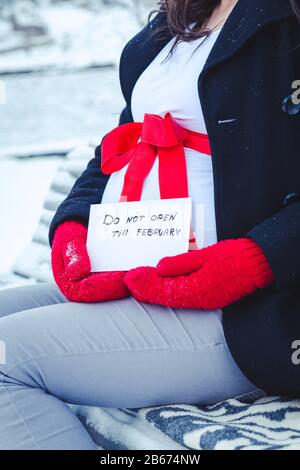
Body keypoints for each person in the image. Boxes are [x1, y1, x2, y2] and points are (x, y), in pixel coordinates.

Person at [0, 0, 300, 450]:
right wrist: (73, 227)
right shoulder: (178, 21)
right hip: (141, 277)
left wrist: (256, 259)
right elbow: (119, 146)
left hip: (252, 313)